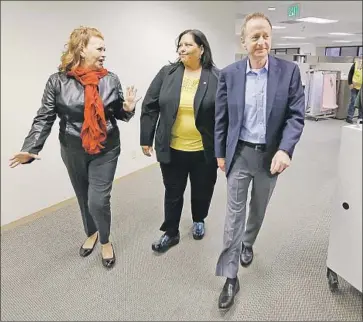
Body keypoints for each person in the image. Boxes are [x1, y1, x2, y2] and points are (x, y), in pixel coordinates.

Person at [9, 26, 140, 269]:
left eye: (104, 49)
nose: (104, 54)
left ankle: (105, 239)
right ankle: (91, 232)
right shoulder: (57, 82)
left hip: (106, 148)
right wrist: (31, 148)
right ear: (81, 49)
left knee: (97, 200)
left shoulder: (110, 79)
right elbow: (44, 117)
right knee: (83, 197)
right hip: (73, 148)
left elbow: (116, 113)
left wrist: (128, 108)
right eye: (99, 48)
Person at [214, 12, 305, 309]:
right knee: (233, 216)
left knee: (258, 208)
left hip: (270, 156)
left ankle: (248, 243)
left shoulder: (289, 72)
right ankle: (230, 276)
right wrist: (220, 152)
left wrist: (285, 149)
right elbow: (221, 119)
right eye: (255, 37)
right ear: (243, 41)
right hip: (239, 153)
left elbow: (295, 115)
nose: (262, 42)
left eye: (266, 35)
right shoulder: (228, 74)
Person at [140, 29, 219, 253]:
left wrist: (224, 149)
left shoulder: (216, 77)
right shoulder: (168, 73)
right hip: (172, 147)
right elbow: (150, 105)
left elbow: (225, 116)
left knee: (202, 189)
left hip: (204, 149)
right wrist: (146, 137)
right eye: (180, 45)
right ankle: (171, 232)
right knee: (173, 191)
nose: (182, 49)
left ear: (201, 49)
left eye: (188, 45)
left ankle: (199, 219)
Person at [346, 57, 362, 123]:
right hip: (354, 86)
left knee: (361, 103)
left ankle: (361, 118)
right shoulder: (355, 64)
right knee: (353, 100)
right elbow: (350, 73)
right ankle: (349, 117)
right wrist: (350, 83)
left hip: (361, 87)